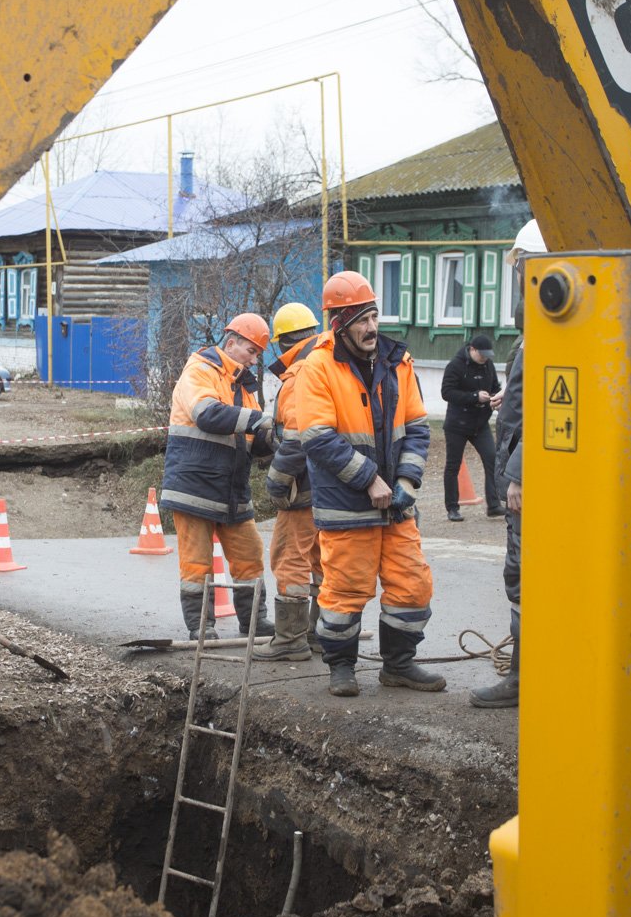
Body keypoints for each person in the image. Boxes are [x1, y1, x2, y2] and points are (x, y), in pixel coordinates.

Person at [297, 271, 440, 697]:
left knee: (412, 585)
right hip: (347, 503)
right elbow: (318, 437)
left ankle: (399, 665)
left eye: (374, 315)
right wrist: (370, 480)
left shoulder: (398, 362)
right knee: (344, 590)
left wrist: (406, 481)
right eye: (361, 319)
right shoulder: (317, 368)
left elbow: (417, 427)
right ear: (338, 323)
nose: (371, 327)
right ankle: (341, 668)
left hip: (396, 503)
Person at [160, 312, 277, 641]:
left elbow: (253, 441)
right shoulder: (199, 370)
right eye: (250, 351)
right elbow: (207, 414)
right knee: (197, 563)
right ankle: (201, 628)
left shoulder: (245, 389)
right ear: (231, 343)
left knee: (250, 556)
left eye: (257, 354)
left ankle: (255, 621)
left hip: (231, 489)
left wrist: (275, 437)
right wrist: (258, 420)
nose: (254, 360)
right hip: (194, 486)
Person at [470, 219, 545, 708]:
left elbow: (551, 413)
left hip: (529, 478)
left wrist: (517, 473)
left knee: (522, 574)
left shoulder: (551, 334)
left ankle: (524, 678)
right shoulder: (535, 335)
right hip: (525, 468)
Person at [252, 302, 327, 662]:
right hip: (330, 484)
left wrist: (277, 482)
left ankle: (290, 639)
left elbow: (296, 438)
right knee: (319, 558)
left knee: (289, 557)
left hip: (305, 484)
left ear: (283, 342)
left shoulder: (301, 374)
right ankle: (320, 634)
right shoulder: (330, 362)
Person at [440, 333, 504, 521]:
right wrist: (474, 397)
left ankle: (494, 505)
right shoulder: (455, 365)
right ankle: (452, 507)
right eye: (482, 354)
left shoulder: (488, 365)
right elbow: (447, 392)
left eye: (487, 355)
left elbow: (494, 385)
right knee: (453, 465)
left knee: (492, 458)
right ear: (472, 350)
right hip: (457, 424)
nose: (484, 358)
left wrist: (495, 398)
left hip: (480, 423)